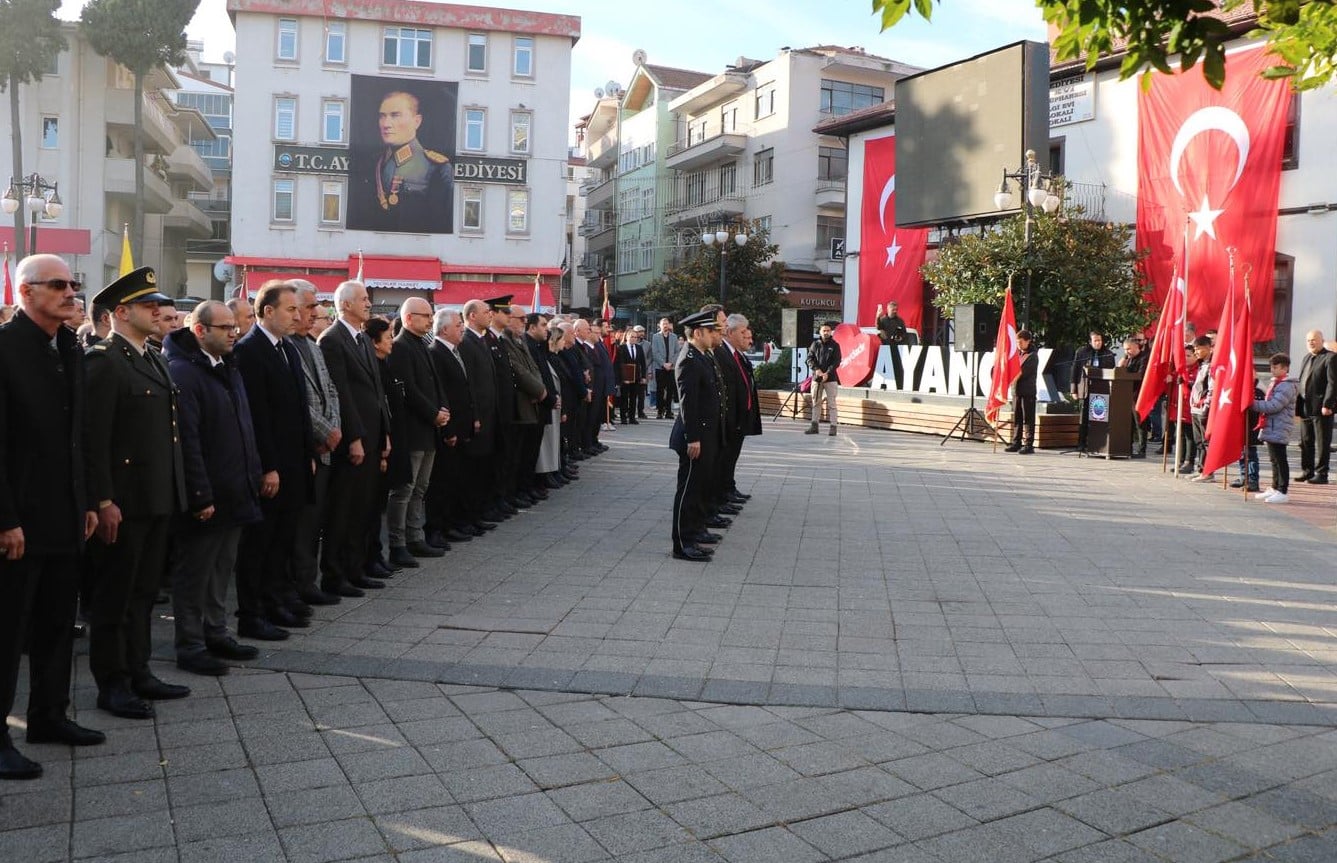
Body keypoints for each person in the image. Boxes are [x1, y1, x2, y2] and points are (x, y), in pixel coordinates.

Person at [0, 254, 104, 780]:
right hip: (17, 520)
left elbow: (77, 434)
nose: (70, 292)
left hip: (65, 513)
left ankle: (48, 715)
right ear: (25, 292)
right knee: (6, 630)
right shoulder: (5, 347)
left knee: (58, 623)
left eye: (73, 283)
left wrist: (87, 500)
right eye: (57, 285)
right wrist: (4, 518)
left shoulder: (68, 345)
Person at [84, 266, 189, 719]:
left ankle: (139, 670)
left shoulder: (151, 357)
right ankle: (113, 683)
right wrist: (103, 501)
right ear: (121, 313)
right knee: (114, 597)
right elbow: (93, 440)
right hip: (124, 502)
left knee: (143, 592)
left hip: (155, 497)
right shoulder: (104, 361)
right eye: (149, 306)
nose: (158, 312)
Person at [162, 300, 263, 675]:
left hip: (235, 488)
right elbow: (187, 442)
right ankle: (190, 644)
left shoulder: (226, 368)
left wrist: (252, 474)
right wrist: (200, 494)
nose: (234, 333)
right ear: (200, 331)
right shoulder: (184, 373)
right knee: (195, 574)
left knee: (221, 568)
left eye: (235, 327)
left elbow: (243, 429)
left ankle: (216, 632)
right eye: (225, 328)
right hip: (208, 496)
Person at [232, 281, 315, 637]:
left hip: (294, 463)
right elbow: (258, 416)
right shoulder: (251, 351)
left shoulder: (288, 349)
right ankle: (252, 614)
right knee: (259, 545)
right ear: (268, 311)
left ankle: (276, 601)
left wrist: (307, 454)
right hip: (272, 467)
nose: (298, 315)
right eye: (290, 310)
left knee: (283, 539)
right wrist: (268, 466)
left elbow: (299, 409)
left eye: (298, 309)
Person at [319, 281, 390, 594]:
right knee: (343, 510)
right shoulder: (332, 340)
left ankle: (356, 567)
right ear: (345, 304)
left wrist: (385, 434)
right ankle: (336, 575)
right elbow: (341, 394)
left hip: (374, 436)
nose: (368, 304)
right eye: (362, 299)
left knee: (364, 508)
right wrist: (354, 437)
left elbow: (377, 391)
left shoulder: (361, 338)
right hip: (354, 439)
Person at [288, 281, 343, 606]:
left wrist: (333, 428)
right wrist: (324, 431)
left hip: (324, 448)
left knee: (312, 522)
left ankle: (307, 581)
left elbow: (330, 390)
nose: (313, 314)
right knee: (297, 524)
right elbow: (295, 401)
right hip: (306, 448)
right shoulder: (286, 347)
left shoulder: (312, 344)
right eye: (308, 307)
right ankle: (295, 584)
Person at [386, 297, 449, 566]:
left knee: (420, 488)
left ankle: (415, 536)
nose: (430, 320)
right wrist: (433, 413)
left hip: (430, 428)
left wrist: (443, 408)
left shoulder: (422, 344)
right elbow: (409, 389)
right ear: (409, 317)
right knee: (404, 489)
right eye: (425, 316)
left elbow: (434, 383)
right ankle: (398, 542)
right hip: (413, 428)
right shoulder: (400, 347)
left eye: (431, 315)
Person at [348, 90, 453, 233]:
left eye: (395, 115)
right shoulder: (371, 163)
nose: (386, 124)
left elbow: (443, 225)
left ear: (417, 121)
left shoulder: (437, 168)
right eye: (382, 116)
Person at [670, 310, 725, 561]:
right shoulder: (689, 359)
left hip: (705, 434)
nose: (716, 334)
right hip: (695, 437)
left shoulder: (702, 356)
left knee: (699, 487)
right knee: (688, 490)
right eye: (712, 331)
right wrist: (693, 437)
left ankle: (694, 533)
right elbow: (687, 403)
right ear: (698, 332)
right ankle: (683, 543)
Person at [1254, 354, 1300, 503]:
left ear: (1285, 368)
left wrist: (1252, 404)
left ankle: (1283, 490)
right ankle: (1275, 487)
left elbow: (1274, 406)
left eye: (1275, 367)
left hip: (1280, 426)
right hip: (1272, 425)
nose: (1272, 370)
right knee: (1273, 459)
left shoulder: (1286, 386)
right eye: (1271, 367)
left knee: (1280, 459)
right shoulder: (1276, 382)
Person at [1295, 330, 1335, 484]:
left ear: (1321, 340)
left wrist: (1327, 404)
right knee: (1306, 441)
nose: (1311, 342)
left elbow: (1333, 384)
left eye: (1314, 340)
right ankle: (1307, 471)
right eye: (1308, 340)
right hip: (1305, 406)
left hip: (1321, 408)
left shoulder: (1330, 358)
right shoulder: (1306, 358)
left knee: (1322, 442)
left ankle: (1322, 474)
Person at [1070, 331, 1116, 452]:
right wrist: (1073, 390)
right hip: (1085, 389)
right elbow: (1074, 371)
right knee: (1084, 418)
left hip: (1102, 391)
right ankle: (1081, 443)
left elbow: (1112, 372)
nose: (1098, 343)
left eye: (1100, 340)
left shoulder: (1108, 354)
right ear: (1090, 342)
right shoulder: (1082, 352)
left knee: (1099, 418)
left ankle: (1097, 444)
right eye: (1095, 341)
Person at [1004, 330, 1039, 454]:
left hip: (1027, 391)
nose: (1019, 345)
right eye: (1017, 342)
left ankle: (1029, 444)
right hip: (1016, 391)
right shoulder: (1016, 354)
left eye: (1021, 342)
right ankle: (1016, 442)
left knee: (1028, 418)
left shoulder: (1032, 356)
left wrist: (1007, 378)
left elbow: (1021, 373)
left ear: (1028, 341)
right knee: (1017, 417)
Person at [806, 323, 842, 436]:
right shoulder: (815, 344)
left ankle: (833, 427)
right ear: (820, 332)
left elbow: (837, 361)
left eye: (828, 330)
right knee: (816, 402)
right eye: (824, 330)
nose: (826, 332)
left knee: (832, 404)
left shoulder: (835, 345)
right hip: (817, 378)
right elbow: (809, 359)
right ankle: (814, 426)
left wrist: (827, 373)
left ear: (831, 332)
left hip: (831, 378)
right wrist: (817, 370)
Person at [1188, 336, 1214, 480]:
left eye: (1198, 349)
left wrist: (1207, 406)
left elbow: (1212, 388)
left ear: (1207, 347)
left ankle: (1208, 471)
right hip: (1195, 407)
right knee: (1198, 441)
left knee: (1206, 441)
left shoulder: (1213, 365)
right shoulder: (1201, 364)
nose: (1196, 352)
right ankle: (1201, 468)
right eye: (1195, 349)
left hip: (1204, 407)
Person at [1119, 337, 1150, 457]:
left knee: (1140, 423)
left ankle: (1142, 450)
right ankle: (1128, 447)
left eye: (1129, 349)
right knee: (1128, 422)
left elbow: (1140, 375)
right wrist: (1121, 367)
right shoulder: (1128, 359)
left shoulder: (1144, 358)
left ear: (1136, 347)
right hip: (1128, 394)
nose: (1127, 352)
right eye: (1125, 350)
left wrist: (1127, 370)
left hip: (1140, 394)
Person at [615, 325, 648, 424]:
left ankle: (632, 417)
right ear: (627, 337)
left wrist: (643, 376)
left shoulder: (639, 348)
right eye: (632, 337)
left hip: (636, 377)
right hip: (625, 377)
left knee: (634, 398)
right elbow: (619, 364)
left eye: (635, 337)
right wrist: (622, 377)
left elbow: (643, 363)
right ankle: (623, 417)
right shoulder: (621, 348)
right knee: (624, 398)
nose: (634, 339)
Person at [649, 317, 680, 418]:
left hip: (671, 368)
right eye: (663, 324)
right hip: (660, 367)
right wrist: (663, 364)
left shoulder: (674, 337)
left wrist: (671, 363)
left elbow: (677, 352)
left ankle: (668, 411)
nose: (665, 325)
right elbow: (654, 352)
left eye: (667, 323)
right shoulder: (655, 337)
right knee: (660, 390)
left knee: (670, 390)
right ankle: (660, 411)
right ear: (660, 325)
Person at [875, 301, 908, 389]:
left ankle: (898, 385)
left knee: (897, 368)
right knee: (885, 368)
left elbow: (904, 333)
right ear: (888, 309)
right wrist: (878, 316)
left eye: (896, 310)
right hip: (885, 348)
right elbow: (878, 326)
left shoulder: (900, 321)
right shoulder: (883, 320)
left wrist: (901, 338)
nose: (895, 311)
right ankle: (883, 384)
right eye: (893, 309)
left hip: (896, 348)